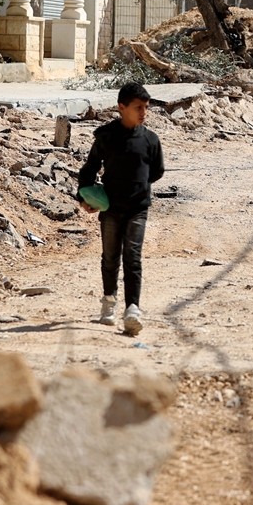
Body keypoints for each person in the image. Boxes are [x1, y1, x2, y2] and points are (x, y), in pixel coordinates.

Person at [77, 82, 165, 336]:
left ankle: (133, 309)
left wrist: (138, 186)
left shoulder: (150, 140)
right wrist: (85, 198)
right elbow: (88, 170)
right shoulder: (106, 136)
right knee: (110, 256)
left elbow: (157, 171)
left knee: (133, 257)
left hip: (138, 208)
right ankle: (108, 301)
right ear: (121, 107)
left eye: (146, 107)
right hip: (111, 208)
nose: (143, 112)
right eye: (138, 107)